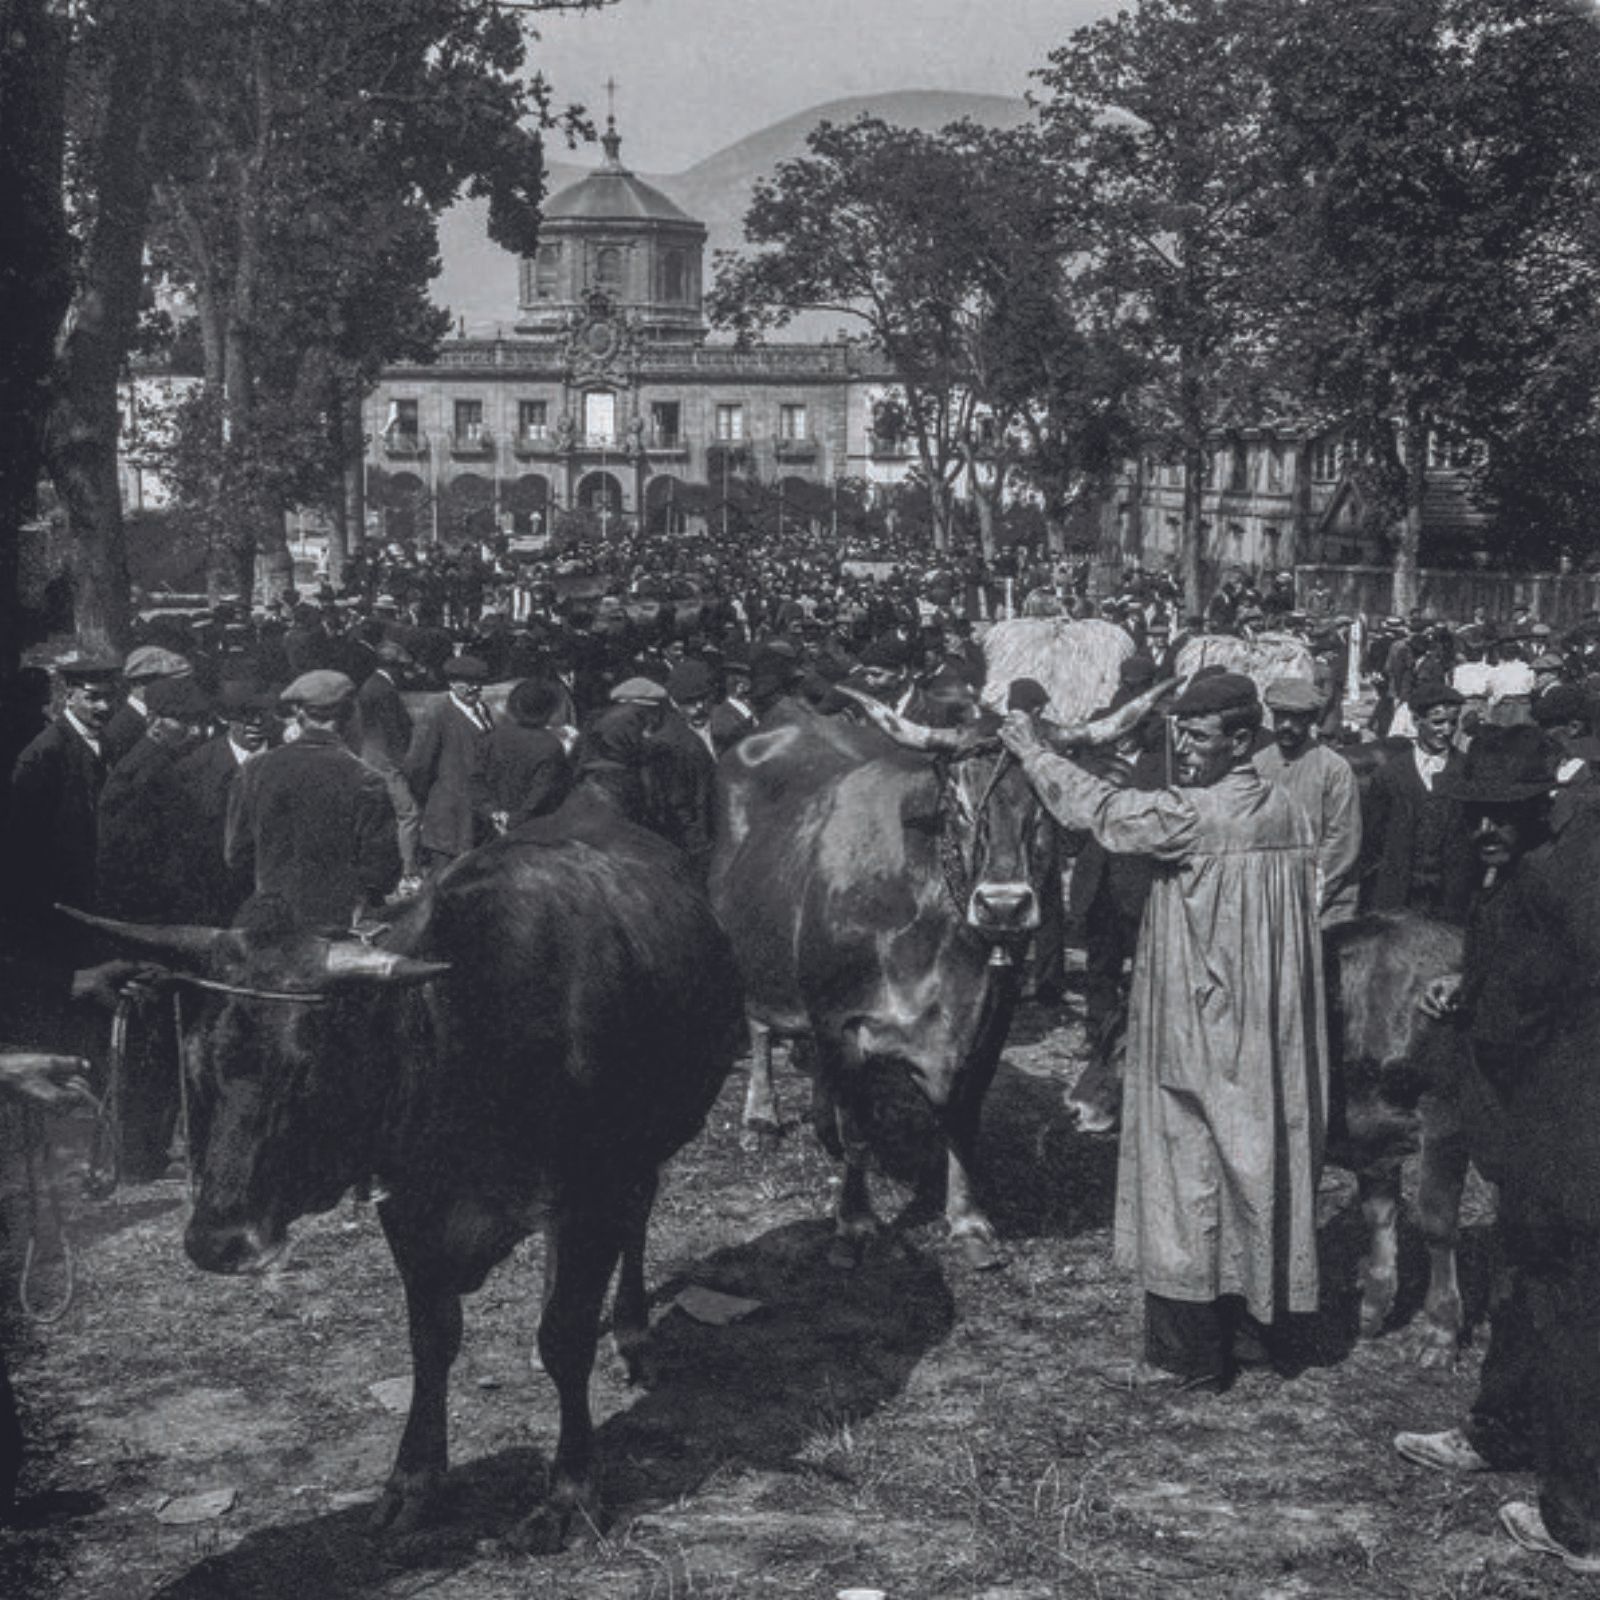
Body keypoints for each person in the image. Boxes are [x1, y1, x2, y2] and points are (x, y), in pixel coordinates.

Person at [1000, 671, 1327, 1390]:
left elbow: (1100, 811)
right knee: (1259, 1162)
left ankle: (1188, 1357)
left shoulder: (1196, 817)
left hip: (1198, 1021)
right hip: (1268, 1027)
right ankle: (1257, 1338)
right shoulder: (1290, 812)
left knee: (1187, 1173)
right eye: (1178, 732)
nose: (1183, 747)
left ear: (1243, 739)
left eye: (1200, 735)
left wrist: (1033, 751)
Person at [1390, 726, 1600, 1575]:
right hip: (1558, 1123)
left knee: (1568, 1313)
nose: (1486, 827)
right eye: (1475, 810)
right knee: (1522, 1280)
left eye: (1504, 813)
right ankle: (1499, 1429)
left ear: (1543, 805)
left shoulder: (1542, 886)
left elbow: (1517, 1026)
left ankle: (1579, 1523)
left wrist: (1460, 1021)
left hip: (1566, 1128)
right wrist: (1469, 981)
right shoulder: (1557, 862)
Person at [226, 671, 401, 931]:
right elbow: (382, 872)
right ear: (350, 716)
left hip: (271, 928)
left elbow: (236, 856)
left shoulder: (254, 770)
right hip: (336, 930)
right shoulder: (367, 780)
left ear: (299, 714)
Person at [7, 658, 122, 959]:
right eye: (93, 697)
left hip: (98, 889)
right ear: (69, 696)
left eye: (110, 697)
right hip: (64, 896)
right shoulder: (45, 753)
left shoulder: (106, 742)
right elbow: (25, 841)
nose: (104, 707)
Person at [1360, 683, 1476, 921]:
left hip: (1452, 896)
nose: (1447, 730)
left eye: (1453, 723)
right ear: (1416, 721)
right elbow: (1374, 837)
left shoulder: (1468, 770)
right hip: (1400, 894)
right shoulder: (1391, 774)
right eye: (1438, 722)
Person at [1253, 676, 1362, 927]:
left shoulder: (1333, 769)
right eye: (1281, 717)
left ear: (1311, 720)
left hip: (1323, 898)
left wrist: (1307, 890)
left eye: (1296, 719)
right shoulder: (1258, 764)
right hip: (1268, 892)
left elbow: (1342, 841)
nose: (1286, 726)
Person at [403, 654, 493, 873]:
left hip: (477, 811)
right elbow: (419, 766)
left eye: (478, 683)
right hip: (449, 812)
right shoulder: (437, 714)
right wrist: (431, 799)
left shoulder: (483, 711)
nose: (474, 688)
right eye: (468, 683)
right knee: (444, 878)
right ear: (452, 684)